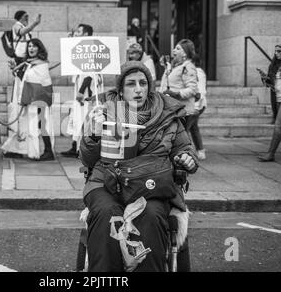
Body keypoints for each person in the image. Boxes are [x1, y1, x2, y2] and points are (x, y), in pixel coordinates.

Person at [79, 61, 198, 272]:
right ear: (121, 89)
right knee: (108, 213)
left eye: (143, 83)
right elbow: (87, 159)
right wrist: (95, 133)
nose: (138, 89)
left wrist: (186, 158)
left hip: (151, 187)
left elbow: (185, 149)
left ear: (149, 87)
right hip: (108, 184)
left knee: (150, 216)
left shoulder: (167, 115)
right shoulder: (103, 113)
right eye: (131, 84)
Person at [1, 38, 54, 161]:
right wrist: (16, 69)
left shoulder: (42, 64)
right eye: (29, 46)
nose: (31, 48)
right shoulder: (29, 64)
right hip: (32, 97)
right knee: (35, 124)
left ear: (39, 49)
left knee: (41, 124)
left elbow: (38, 82)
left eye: (34, 46)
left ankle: (48, 150)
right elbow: (26, 79)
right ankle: (39, 150)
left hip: (40, 97)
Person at [61, 24, 104, 158]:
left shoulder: (89, 51)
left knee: (84, 120)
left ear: (86, 34)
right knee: (78, 118)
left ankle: (83, 149)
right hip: (83, 92)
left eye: (79, 31)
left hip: (86, 95)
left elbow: (89, 73)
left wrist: (81, 91)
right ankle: (75, 147)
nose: (77, 33)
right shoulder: (83, 49)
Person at [159, 39, 199, 131]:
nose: (173, 50)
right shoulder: (179, 66)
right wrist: (167, 67)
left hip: (183, 111)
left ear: (185, 53)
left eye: (177, 49)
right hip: (175, 109)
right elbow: (168, 83)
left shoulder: (188, 67)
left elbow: (192, 89)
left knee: (181, 141)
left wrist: (175, 93)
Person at [186, 55, 207, 160]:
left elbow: (201, 91)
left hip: (196, 106)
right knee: (194, 128)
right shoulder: (192, 71)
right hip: (194, 105)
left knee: (184, 130)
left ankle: (187, 153)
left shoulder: (198, 72)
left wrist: (196, 107)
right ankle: (200, 151)